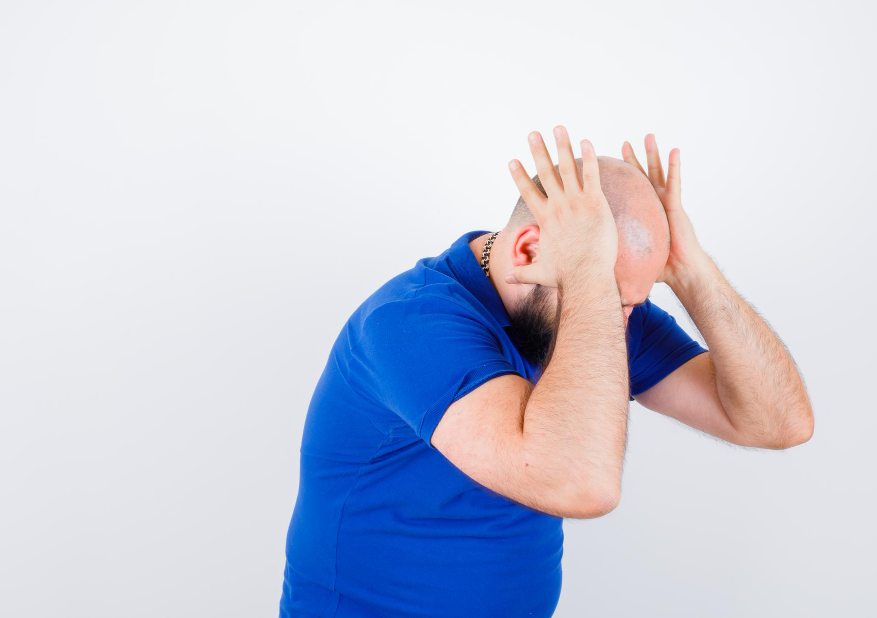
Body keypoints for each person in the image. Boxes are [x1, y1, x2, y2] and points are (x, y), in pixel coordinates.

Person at [279, 126, 815, 617]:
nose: (625, 322)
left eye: (630, 301)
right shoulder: (409, 324)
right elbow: (581, 484)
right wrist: (587, 276)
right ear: (529, 249)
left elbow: (778, 422)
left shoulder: (599, 309)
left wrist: (692, 270)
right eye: (609, 297)